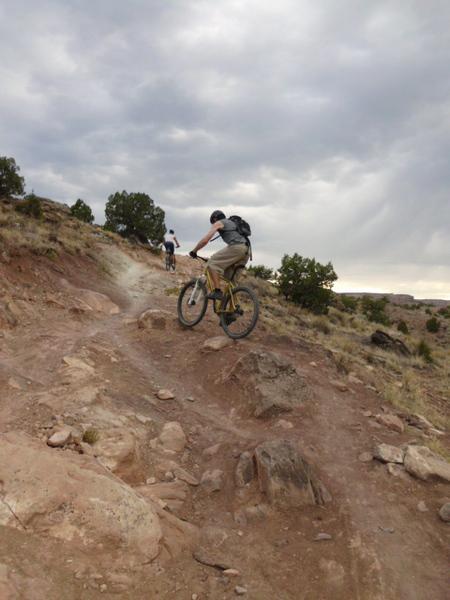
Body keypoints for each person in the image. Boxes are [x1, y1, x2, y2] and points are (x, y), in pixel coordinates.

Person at [189, 210, 250, 300]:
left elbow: (205, 240)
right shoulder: (232, 223)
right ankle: (232, 309)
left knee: (212, 263)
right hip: (247, 251)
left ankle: (217, 291)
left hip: (237, 247)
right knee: (230, 279)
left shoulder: (219, 223)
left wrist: (194, 251)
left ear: (214, 218)